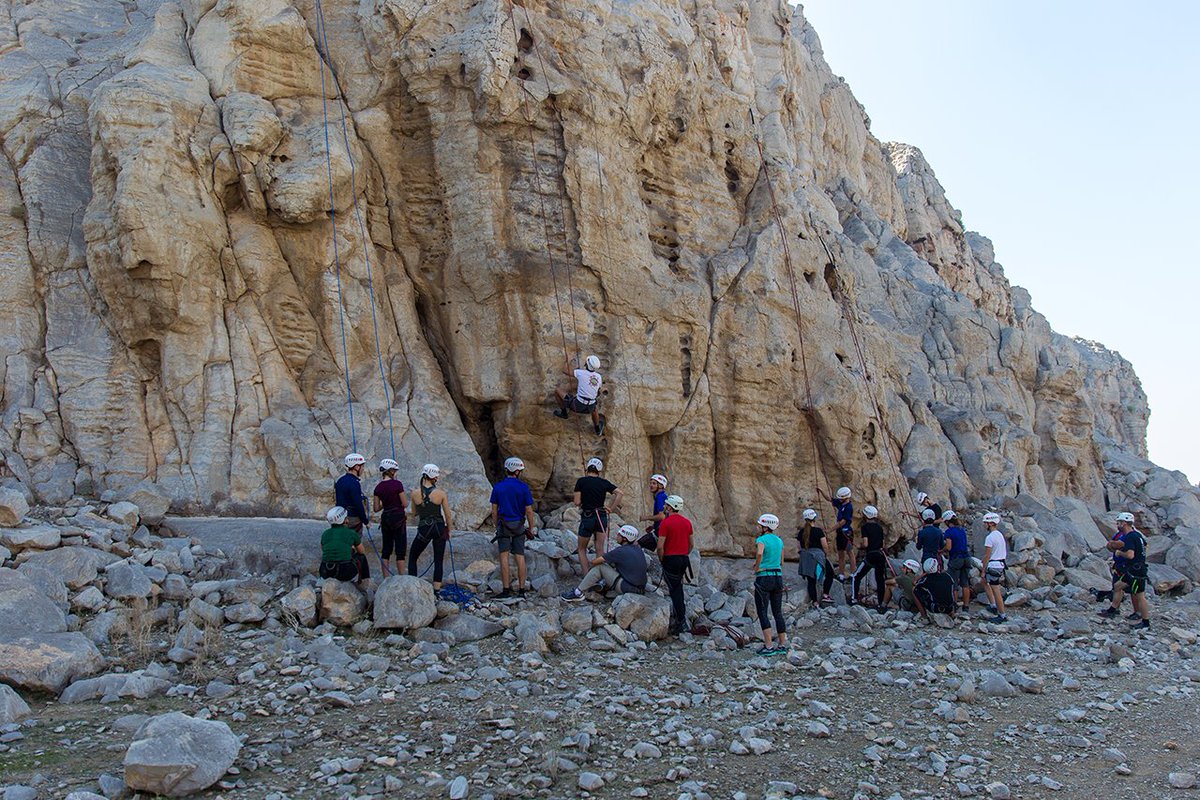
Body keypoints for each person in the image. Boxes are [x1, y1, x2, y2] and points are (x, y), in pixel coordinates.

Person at [490, 456, 537, 598]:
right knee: (520, 557)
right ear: (517, 471)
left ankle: (506, 590)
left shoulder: (498, 487)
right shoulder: (523, 487)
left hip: (503, 525)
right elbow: (529, 510)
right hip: (519, 526)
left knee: (504, 557)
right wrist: (531, 526)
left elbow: (494, 510)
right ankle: (522, 590)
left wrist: (495, 523)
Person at [561, 524, 648, 600]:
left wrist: (590, 563)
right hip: (640, 589)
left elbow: (596, 561)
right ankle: (602, 584)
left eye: (619, 535)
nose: (617, 536)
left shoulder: (620, 551)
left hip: (627, 588)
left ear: (625, 538)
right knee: (612, 565)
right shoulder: (638, 549)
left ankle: (578, 593)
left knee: (600, 567)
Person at [1099, 512, 1151, 631]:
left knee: (1140, 596)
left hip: (1136, 570)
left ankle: (1145, 622)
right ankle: (1113, 609)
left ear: (1124, 523)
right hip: (1138, 569)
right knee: (1118, 586)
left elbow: (1130, 555)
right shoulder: (1137, 535)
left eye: (1119, 523)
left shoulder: (1130, 536)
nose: (1117, 525)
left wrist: (1119, 553)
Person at [573, 458, 624, 570]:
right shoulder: (604, 482)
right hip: (601, 517)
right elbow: (620, 493)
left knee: (582, 549)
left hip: (587, 517)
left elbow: (577, 502)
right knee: (600, 549)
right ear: (599, 471)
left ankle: (587, 577)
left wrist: (584, 501)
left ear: (588, 468)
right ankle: (598, 577)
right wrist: (611, 508)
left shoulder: (581, 481)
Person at [408, 464, 453, 590]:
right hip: (439, 527)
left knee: (413, 557)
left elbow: (414, 513)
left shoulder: (415, 493)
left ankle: (413, 586)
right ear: (435, 478)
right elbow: (448, 515)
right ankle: (436, 590)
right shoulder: (441, 493)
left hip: (424, 528)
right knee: (438, 560)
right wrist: (449, 530)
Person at [656, 494, 693, 635]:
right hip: (683, 558)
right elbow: (691, 544)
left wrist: (662, 558)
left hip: (670, 559)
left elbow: (660, 546)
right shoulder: (687, 522)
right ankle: (680, 618)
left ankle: (681, 622)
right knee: (678, 588)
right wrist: (684, 553)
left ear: (670, 507)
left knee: (674, 590)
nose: (664, 507)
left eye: (666, 505)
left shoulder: (666, 523)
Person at [752, 513, 788, 655]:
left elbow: (760, 553)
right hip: (777, 577)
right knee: (777, 612)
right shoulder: (779, 541)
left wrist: (757, 566)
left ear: (765, 526)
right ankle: (782, 644)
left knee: (762, 611)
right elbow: (781, 562)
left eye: (760, 525)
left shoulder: (761, 539)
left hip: (764, 578)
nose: (758, 527)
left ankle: (768, 645)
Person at [554, 355, 606, 435]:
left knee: (557, 391)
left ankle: (564, 413)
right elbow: (598, 391)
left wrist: (567, 360)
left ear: (587, 363)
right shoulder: (599, 377)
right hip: (589, 407)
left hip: (577, 405)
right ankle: (597, 429)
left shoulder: (580, 373)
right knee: (594, 408)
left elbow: (565, 370)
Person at [372, 458, 407, 576]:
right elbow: (405, 503)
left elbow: (376, 508)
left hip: (386, 517)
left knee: (386, 549)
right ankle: (402, 577)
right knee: (400, 549)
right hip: (398, 518)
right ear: (391, 471)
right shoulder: (397, 484)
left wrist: (385, 503)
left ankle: (385, 578)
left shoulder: (378, 488)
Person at [850, 505, 888, 611]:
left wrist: (859, 546)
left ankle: (854, 599)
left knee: (856, 576)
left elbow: (866, 544)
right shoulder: (880, 528)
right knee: (880, 580)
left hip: (871, 555)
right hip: (880, 555)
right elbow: (883, 543)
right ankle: (881, 604)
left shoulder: (865, 527)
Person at [319, 506, 369, 582]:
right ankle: (364, 582)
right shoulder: (351, 533)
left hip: (326, 571)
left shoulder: (325, 534)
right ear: (344, 520)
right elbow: (361, 551)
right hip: (344, 572)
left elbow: (323, 549)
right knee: (362, 557)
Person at [797, 508, 835, 606]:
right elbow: (825, 545)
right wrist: (825, 555)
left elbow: (799, 546)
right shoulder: (818, 531)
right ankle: (826, 595)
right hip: (818, 556)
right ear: (814, 518)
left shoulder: (801, 532)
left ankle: (814, 602)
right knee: (830, 573)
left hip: (806, 557)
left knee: (811, 580)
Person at [941, 510, 972, 613]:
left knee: (953, 583)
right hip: (967, 558)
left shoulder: (949, 532)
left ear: (946, 521)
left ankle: (954, 605)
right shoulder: (961, 529)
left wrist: (942, 550)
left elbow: (949, 547)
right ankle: (966, 607)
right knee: (965, 583)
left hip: (956, 559)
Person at [981, 512, 1009, 623]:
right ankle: (993, 605)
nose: (984, 525)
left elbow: (988, 555)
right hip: (1000, 564)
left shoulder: (990, 537)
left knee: (996, 590)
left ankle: (1001, 614)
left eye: (986, 523)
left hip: (993, 565)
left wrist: (983, 570)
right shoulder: (999, 535)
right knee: (984, 582)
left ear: (991, 523)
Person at [335, 453, 370, 533]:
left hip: (341, 517)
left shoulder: (340, 480)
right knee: (355, 541)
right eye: (362, 466)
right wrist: (365, 521)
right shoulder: (354, 483)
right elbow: (358, 504)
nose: (363, 469)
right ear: (357, 467)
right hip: (353, 518)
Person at [638, 473, 670, 548]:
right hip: (662, 530)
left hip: (660, 531)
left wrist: (646, 518)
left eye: (654, 483)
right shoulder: (663, 496)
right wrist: (653, 526)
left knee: (637, 545)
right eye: (650, 483)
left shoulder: (660, 497)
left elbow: (661, 516)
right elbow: (665, 515)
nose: (651, 485)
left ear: (661, 486)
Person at [832, 486, 856, 580]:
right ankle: (841, 574)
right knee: (840, 553)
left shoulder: (848, 507)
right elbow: (830, 500)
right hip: (840, 532)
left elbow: (843, 521)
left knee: (850, 552)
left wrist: (831, 529)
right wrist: (821, 492)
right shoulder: (841, 503)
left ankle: (853, 573)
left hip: (846, 532)